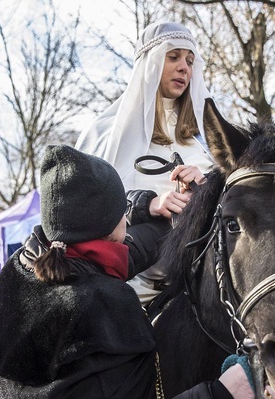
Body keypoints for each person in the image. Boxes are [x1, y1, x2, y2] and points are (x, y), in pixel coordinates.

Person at [0, 145, 254, 399]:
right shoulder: (105, 307)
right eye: (124, 211)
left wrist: (171, 212)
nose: (127, 218)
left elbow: (116, 255)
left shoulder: (23, 270)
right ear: (110, 223)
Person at [76, 21, 213, 304]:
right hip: (119, 296)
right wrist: (148, 205)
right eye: (173, 57)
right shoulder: (103, 134)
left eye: (189, 61)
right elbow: (81, 209)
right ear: (149, 64)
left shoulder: (202, 144)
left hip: (195, 298)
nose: (184, 67)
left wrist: (206, 186)